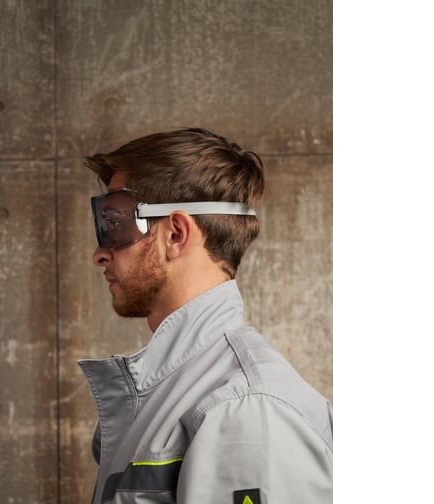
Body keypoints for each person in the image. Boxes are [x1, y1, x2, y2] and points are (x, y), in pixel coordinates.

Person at [79, 128, 333, 504]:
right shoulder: (176, 392)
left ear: (176, 234)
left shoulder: (243, 408)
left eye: (115, 224)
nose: (100, 254)